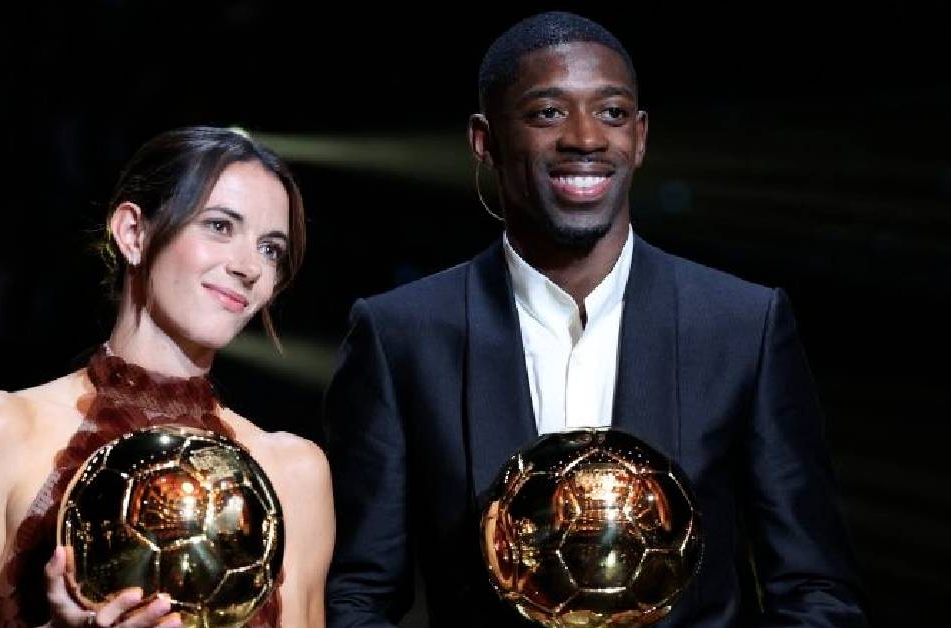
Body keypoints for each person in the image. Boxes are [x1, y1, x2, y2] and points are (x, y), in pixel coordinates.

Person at [324, 11, 867, 627]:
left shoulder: (743, 325)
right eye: (547, 113)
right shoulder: (401, 336)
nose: (585, 138)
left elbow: (815, 591)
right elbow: (359, 597)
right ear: (484, 140)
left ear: (640, 136)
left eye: (611, 112)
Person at [0, 126, 334, 628]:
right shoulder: (2, 433)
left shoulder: (295, 475)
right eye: (220, 226)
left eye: (271, 249)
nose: (250, 267)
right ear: (132, 232)